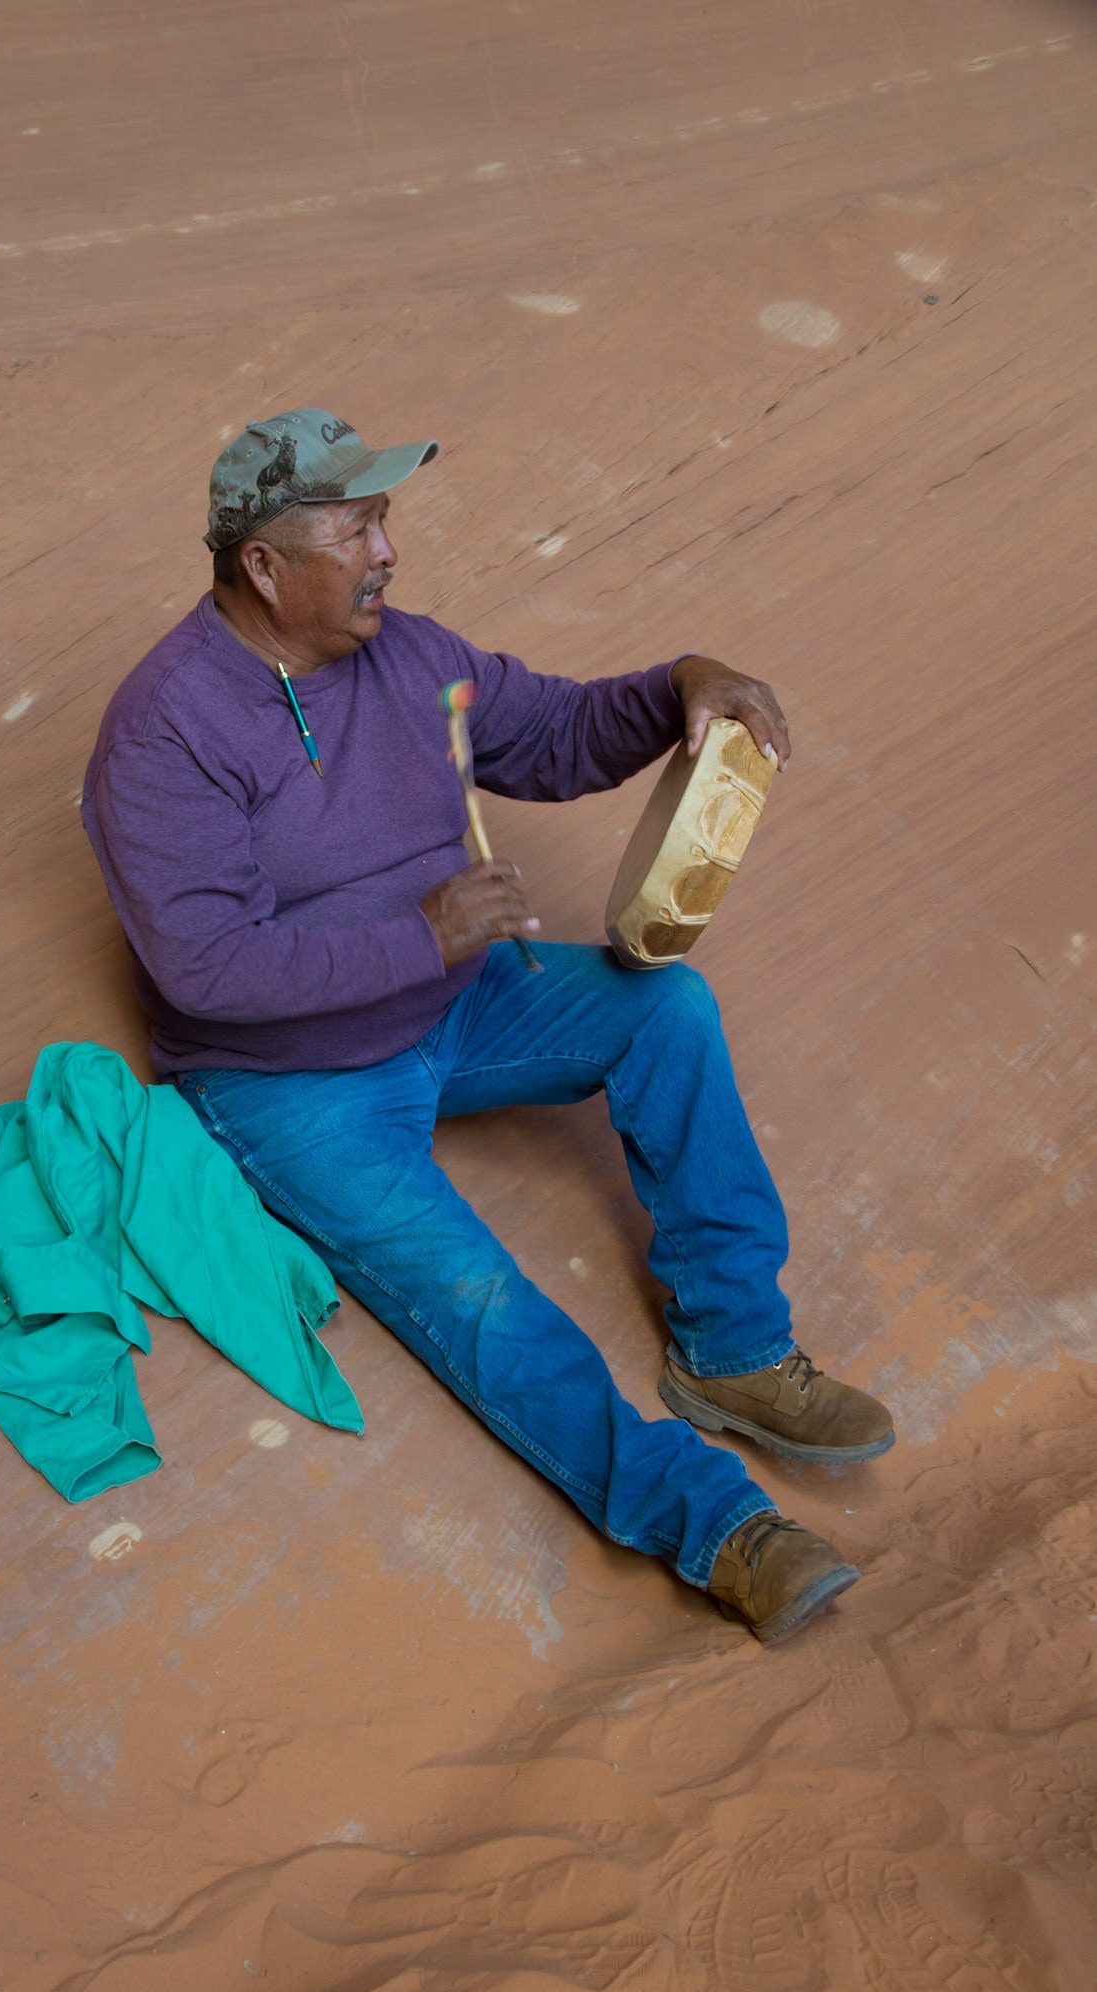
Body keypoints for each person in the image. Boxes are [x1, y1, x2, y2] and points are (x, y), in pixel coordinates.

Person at [82, 408, 895, 1645]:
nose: (387, 550)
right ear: (262, 562)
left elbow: (556, 732)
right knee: (476, 1296)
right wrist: (424, 934)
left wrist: (684, 684)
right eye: (354, 526)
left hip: (464, 998)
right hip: (294, 1079)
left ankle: (732, 1347)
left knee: (663, 1005)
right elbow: (204, 968)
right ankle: (718, 1525)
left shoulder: (413, 660)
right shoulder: (165, 729)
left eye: (384, 517)